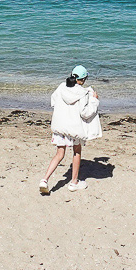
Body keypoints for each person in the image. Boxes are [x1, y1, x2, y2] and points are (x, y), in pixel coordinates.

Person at [38, 66, 102, 195]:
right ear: (83, 79)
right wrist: (94, 100)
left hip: (60, 127)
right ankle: (74, 182)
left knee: (59, 154)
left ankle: (44, 180)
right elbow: (85, 113)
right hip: (74, 128)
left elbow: (53, 102)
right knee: (76, 152)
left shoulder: (61, 87)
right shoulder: (83, 93)